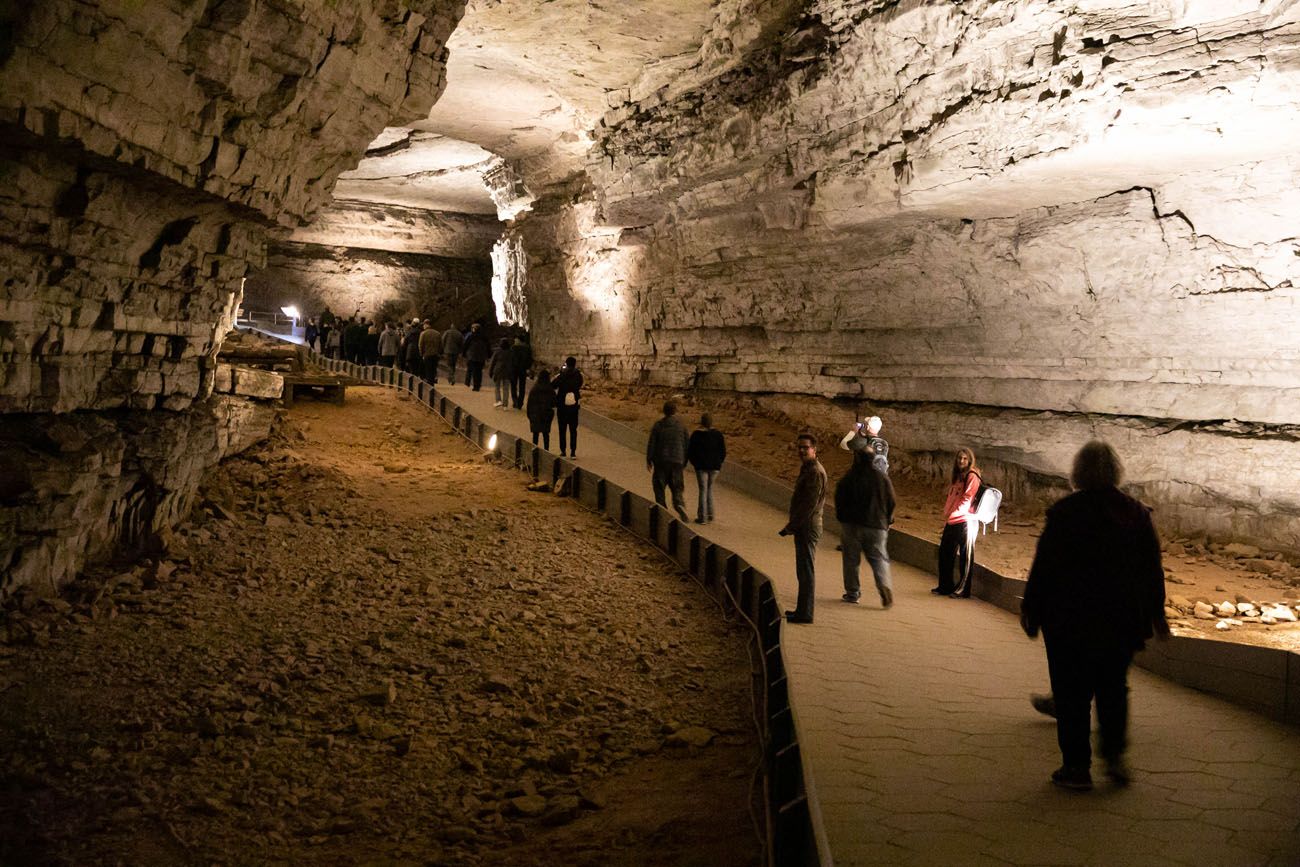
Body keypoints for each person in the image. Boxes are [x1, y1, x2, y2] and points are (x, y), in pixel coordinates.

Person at [1020, 440, 1169, 791]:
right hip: (1120, 621)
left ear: (1079, 471)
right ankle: (1115, 759)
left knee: (1072, 694)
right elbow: (1152, 569)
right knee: (1113, 690)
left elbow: (1045, 567)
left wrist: (1032, 609)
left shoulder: (1066, 513)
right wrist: (1156, 614)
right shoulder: (1135, 514)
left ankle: (1076, 768)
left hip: (1071, 620)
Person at [835, 449, 896, 608]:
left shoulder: (850, 477)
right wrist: (887, 519)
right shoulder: (882, 478)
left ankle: (852, 593)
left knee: (851, 560)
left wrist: (841, 517)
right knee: (879, 559)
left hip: (852, 525)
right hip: (877, 526)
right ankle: (884, 585)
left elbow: (839, 497)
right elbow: (892, 500)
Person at [779, 433, 826, 625]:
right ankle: (802, 610)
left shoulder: (814, 471)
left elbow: (809, 505)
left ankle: (805, 613)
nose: (801, 451)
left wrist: (791, 526)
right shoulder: (808, 468)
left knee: (806, 571)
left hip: (808, 526)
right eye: (799, 447)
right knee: (803, 570)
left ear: (814, 449)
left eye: (805, 447)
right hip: (805, 525)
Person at [933, 447, 981, 598]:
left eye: (965, 458)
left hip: (966, 521)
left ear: (970, 460)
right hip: (953, 520)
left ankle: (963, 590)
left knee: (966, 557)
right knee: (945, 552)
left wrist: (953, 514)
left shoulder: (972, 476)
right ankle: (945, 585)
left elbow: (968, 498)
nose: (961, 461)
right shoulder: (959, 476)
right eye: (960, 458)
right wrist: (948, 514)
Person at [646, 401, 691, 522]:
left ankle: (662, 510)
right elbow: (687, 445)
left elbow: (652, 443)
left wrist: (649, 459)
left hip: (661, 461)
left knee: (659, 487)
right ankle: (679, 504)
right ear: (675, 411)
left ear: (664, 411)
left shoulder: (658, 425)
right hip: (677, 461)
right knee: (677, 487)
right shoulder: (681, 426)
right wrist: (684, 461)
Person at [686, 413, 726, 524]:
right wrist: (719, 463)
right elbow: (723, 452)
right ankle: (710, 514)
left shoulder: (696, 435)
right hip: (715, 467)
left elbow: (691, 452)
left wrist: (695, 464)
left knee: (703, 490)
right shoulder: (718, 435)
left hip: (701, 467)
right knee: (709, 489)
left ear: (701, 422)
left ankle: (702, 517)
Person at [552, 356, 583, 458]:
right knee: (573, 430)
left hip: (562, 406)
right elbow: (580, 384)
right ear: (574, 364)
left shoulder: (562, 375)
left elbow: (553, 385)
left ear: (566, 364)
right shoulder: (578, 375)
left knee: (562, 429)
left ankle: (563, 451)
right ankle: (573, 452)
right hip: (574, 406)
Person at [526, 369, 556, 450]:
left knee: (535, 435)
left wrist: (529, 415)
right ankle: (547, 450)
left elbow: (529, 404)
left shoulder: (534, 389)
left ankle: (534, 451)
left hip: (535, 415)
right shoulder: (550, 390)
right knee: (546, 435)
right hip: (546, 415)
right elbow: (554, 403)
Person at [508, 336, 533, 409]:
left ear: (519, 340)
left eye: (516, 340)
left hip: (515, 369)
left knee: (514, 386)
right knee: (521, 386)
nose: (515, 341)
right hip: (522, 369)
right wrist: (527, 367)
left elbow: (511, 359)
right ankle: (519, 402)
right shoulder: (527, 348)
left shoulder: (513, 348)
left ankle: (516, 402)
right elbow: (529, 359)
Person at [463, 323, 489, 391]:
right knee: (479, 371)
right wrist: (489, 355)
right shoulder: (484, 337)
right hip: (481, 356)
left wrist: (464, 354)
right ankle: (477, 385)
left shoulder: (471, 336)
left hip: (472, 356)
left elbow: (466, 345)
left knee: (474, 371)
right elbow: (488, 346)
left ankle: (474, 385)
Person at [489, 338, 514, 407]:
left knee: (497, 387)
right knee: (506, 388)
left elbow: (493, 362)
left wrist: (490, 372)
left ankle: (498, 400)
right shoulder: (511, 352)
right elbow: (513, 363)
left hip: (498, 371)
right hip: (507, 372)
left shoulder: (497, 351)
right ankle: (505, 405)